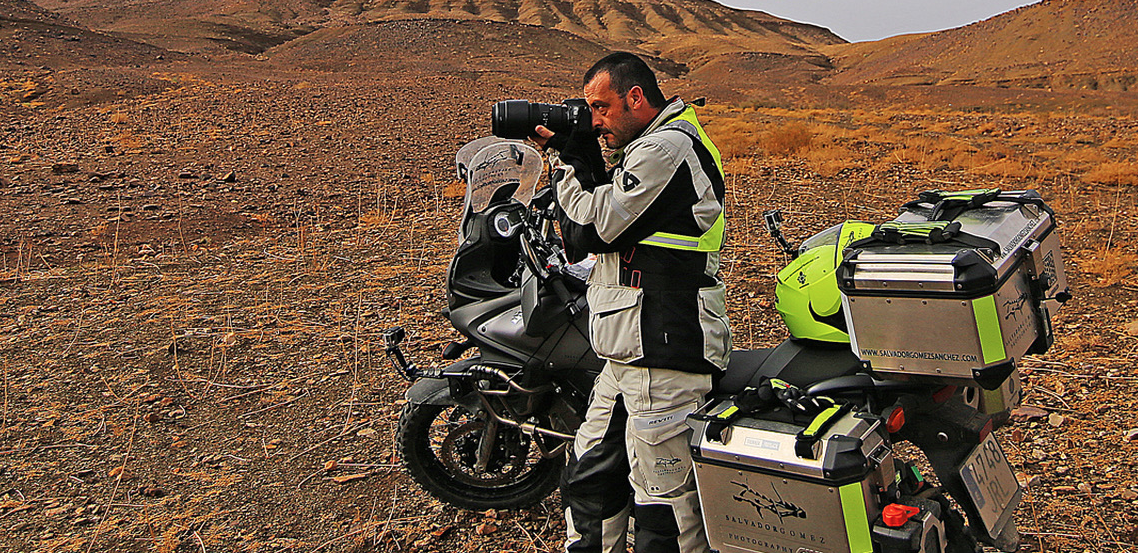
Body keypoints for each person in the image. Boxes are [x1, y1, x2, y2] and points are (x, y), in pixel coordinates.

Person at [531, 52, 731, 553]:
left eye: (601, 108)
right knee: (590, 474)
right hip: (628, 353)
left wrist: (570, 161)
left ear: (635, 97)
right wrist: (583, 157)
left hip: (665, 352)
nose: (595, 121)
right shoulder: (645, 146)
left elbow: (590, 229)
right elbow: (598, 221)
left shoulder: (666, 149)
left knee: (663, 504)